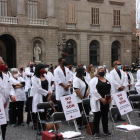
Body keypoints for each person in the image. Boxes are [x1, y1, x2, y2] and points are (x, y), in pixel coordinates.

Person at [90, 66, 113, 139]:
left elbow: (111, 89)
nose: (102, 71)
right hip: (98, 101)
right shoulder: (94, 80)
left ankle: (106, 130)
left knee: (105, 116)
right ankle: (96, 131)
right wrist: (101, 98)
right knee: (97, 117)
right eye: (101, 70)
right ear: (98, 71)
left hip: (107, 101)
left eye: (103, 70)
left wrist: (111, 98)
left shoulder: (107, 79)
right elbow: (93, 91)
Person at [31, 64, 51, 135]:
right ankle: (39, 128)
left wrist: (48, 94)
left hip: (46, 97)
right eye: (42, 68)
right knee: (39, 113)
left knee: (45, 112)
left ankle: (44, 127)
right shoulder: (34, 78)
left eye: (44, 68)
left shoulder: (46, 76)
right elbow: (38, 88)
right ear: (38, 69)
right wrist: (46, 92)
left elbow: (49, 86)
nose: (44, 70)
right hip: (39, 97)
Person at [0, 57, 16, 140]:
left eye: (3, 63)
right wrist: (2, 100)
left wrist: (12, 95)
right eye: (1, 64)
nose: (3, 65)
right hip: (1, 103)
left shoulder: (6, 76)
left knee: (4, 123)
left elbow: (10, 88)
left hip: (6, 104)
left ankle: (3, 137)